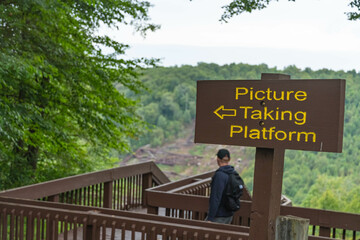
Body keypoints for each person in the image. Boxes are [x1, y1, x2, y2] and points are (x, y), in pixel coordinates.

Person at [206, 148, 237, 224]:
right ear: (229, 159)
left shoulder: (219, 175)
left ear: (218, 159)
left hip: (219, 215)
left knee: (204, 234)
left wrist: (210, 218)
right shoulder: (233, 173)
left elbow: (216, 198)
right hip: (229, 215)